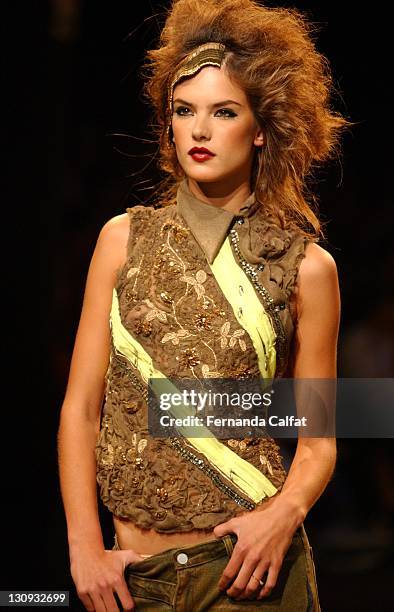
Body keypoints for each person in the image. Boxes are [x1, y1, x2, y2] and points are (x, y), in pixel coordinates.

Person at [57, 0, 349, 610]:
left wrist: (282, 516)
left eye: (224, 112)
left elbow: (318, 436)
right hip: (135, 580)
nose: (200, 130)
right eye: (184, 111)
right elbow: (81, 409)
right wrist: (83, 546)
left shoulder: (308, 268)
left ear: (261, 126)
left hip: (252, 574)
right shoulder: (122, 239)